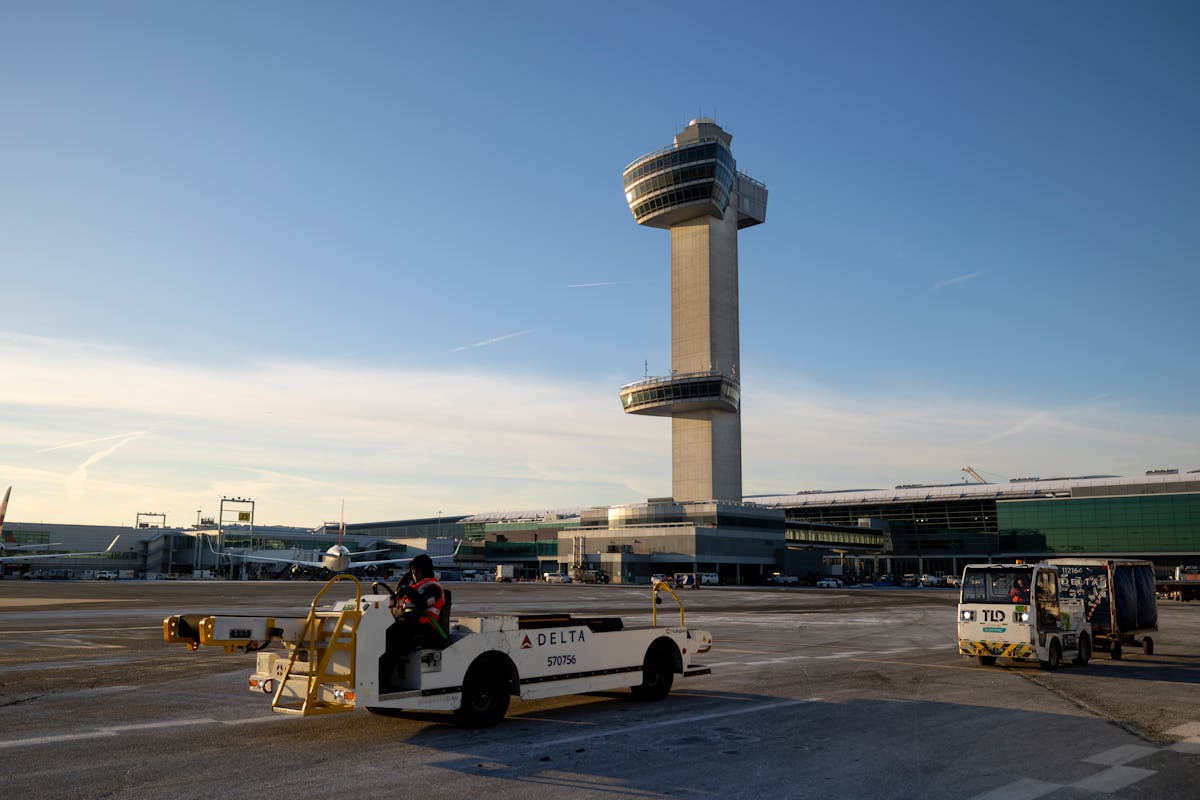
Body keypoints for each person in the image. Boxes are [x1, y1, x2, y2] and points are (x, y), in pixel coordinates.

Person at [389, 554, 447, 641]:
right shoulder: (415, 588)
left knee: (392, 632)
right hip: (411, 621)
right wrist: (407, 576)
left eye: (417, 571)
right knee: (384, 625)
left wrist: (408, 591)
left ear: (426, 571)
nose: (414, 575)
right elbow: (397, 594)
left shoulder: (433, 588)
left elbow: (423, 604)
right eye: (413, 572)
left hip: (426, 625)